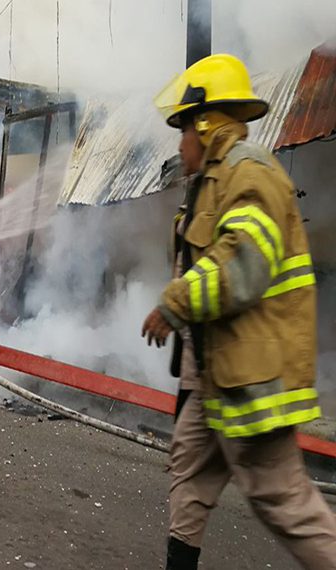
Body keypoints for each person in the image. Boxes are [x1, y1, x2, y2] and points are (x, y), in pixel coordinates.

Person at [142, 54, 336, 569]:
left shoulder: (250, 175)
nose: (178, 143)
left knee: (284, 501)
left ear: (204, 126)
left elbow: (242, 266)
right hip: (214, 379)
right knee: (188, 478)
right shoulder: (212, 182)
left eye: (181, 129)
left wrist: (174, 304)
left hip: (253, 378)